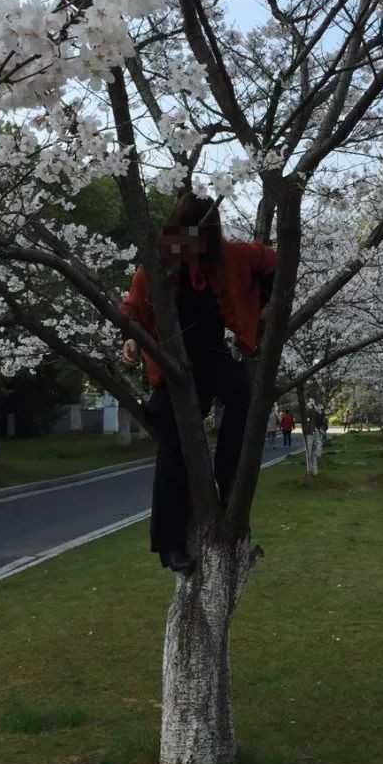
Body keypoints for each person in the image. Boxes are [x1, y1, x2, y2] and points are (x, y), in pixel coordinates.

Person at [121, 193, 277, 576]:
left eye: (203, 235)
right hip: (176, 364)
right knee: (175, 447)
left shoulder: (230, 255)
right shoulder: (162, 262)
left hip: (213, 353)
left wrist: (268, 303)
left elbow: (273, 261)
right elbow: (133, 304)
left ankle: (227, 476)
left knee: (244, 395)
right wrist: (129, 336)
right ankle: (170, 545)